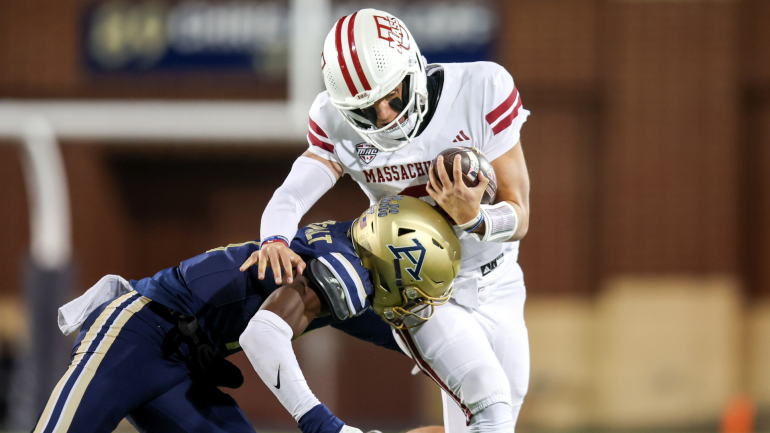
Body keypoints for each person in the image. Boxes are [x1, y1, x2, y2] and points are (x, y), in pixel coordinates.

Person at [244, 8, 531, 433]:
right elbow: (293, 193)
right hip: (420, 290)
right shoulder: (334, 121)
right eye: (365, 108)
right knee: (489, 403)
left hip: (499, 280)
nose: (384, 115)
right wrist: (274, 238)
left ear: (412, 65)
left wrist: (474, 219)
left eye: (392, 95)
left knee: (484, 423)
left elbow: (520, 216)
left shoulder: (480, 89)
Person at [32, 196, 461, 433]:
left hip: (185, 364)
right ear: (391, 259)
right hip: (138, 331)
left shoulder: (360, 265)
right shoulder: (341, 268)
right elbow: (263, 336)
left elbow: (439, 355)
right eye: (414, 287)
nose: (413, 301)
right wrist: (323, 424)